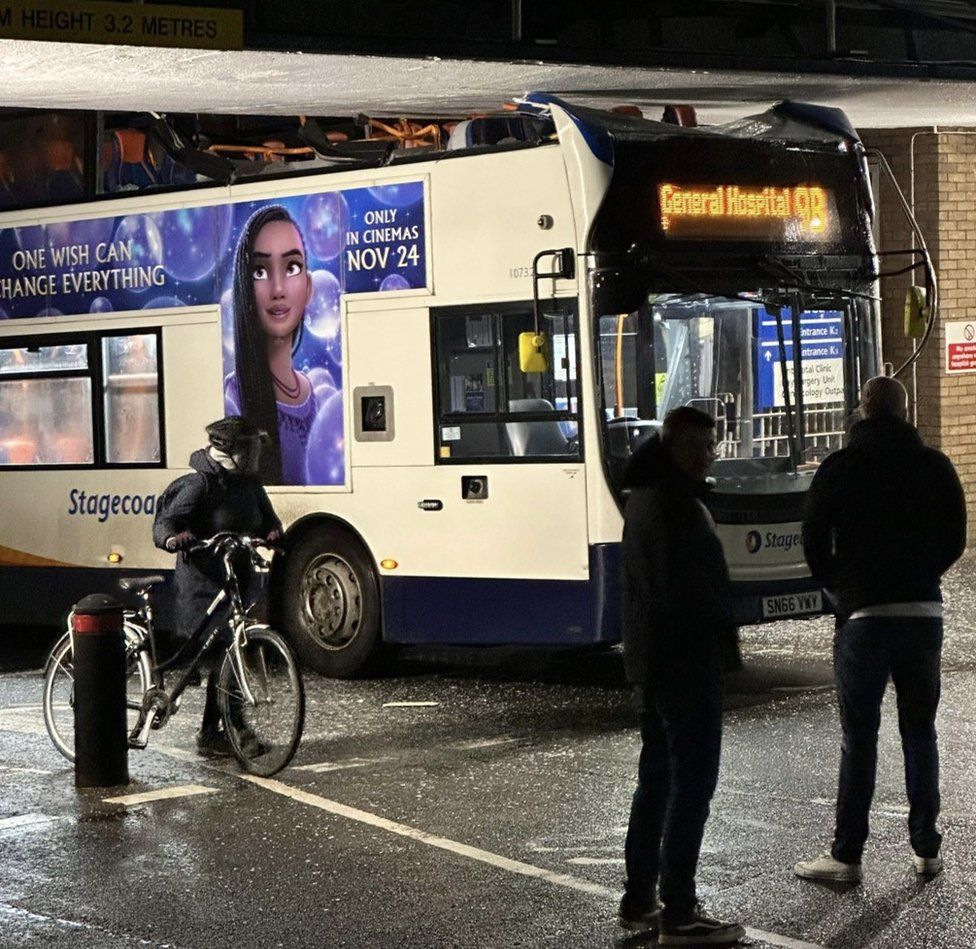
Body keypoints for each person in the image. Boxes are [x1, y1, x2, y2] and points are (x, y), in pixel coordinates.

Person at [795, 376, 966, 882]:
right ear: (905, 410)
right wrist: (923, 574)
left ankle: (846, 855)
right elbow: (955, 536)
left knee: (860, 736)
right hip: (921, 612)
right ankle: (926, 849)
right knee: (920, 729)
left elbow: (812, 537)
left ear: (863, 410)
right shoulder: (935, 465)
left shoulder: (842, 466)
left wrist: (840, 587)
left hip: (864, 614)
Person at [618, 406, 745, 946]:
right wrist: (723, 638)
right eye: (700, 448)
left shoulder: (645, 498)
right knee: (692, 784)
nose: (708, 457)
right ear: (675, 447)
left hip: (655, 662)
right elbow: (692, 593)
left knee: (658, 779)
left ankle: (641, 897)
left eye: (711, 448)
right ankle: (680, 911)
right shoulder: (675, 507)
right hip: (687, 664)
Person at [152, 415, 283, 756]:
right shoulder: (200, 486)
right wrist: (172, 539)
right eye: (249, 449)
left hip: (236, 580)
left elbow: (269, 521)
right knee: (227, 653)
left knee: (230, 653)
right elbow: (165, 521)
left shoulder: (250, 486)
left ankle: (211, 732)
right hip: (203, 586)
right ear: (229, 450)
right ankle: (233, 728)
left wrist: (271, 534)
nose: (255, 456)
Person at [224, 204, 318, 485]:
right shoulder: (234, 396)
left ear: (309, 287)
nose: (278, 289)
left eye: (291, 267)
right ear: (244, 289)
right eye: (259, 272)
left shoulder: (317, 397)